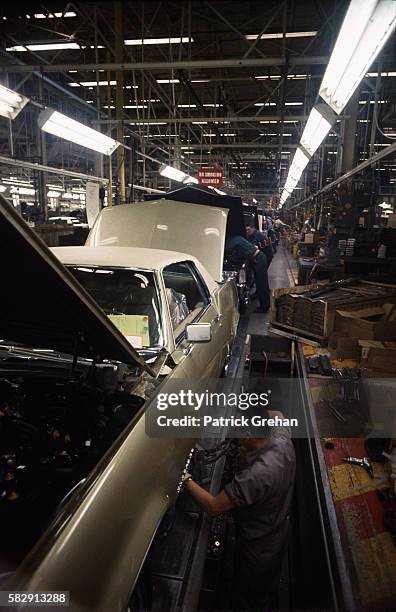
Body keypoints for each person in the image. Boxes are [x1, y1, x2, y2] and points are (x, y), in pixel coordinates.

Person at [182, 410, 296, 610]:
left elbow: (213, 506)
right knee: (264, 586)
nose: (231, 428)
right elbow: (278, 414)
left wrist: (183, 477)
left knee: (250, 595)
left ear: (249, 435)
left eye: (236, 426)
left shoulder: (258, 474)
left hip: (258, 547)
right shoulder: (281, 437)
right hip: (277, 530)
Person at [225, 234, 270, 313]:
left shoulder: (234, 240)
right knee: (261, 284)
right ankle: (264, 305)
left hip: (258, 259)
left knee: (262, 284)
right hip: (258, 258)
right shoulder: (238, 238)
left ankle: (264, 307)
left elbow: (224, 249)